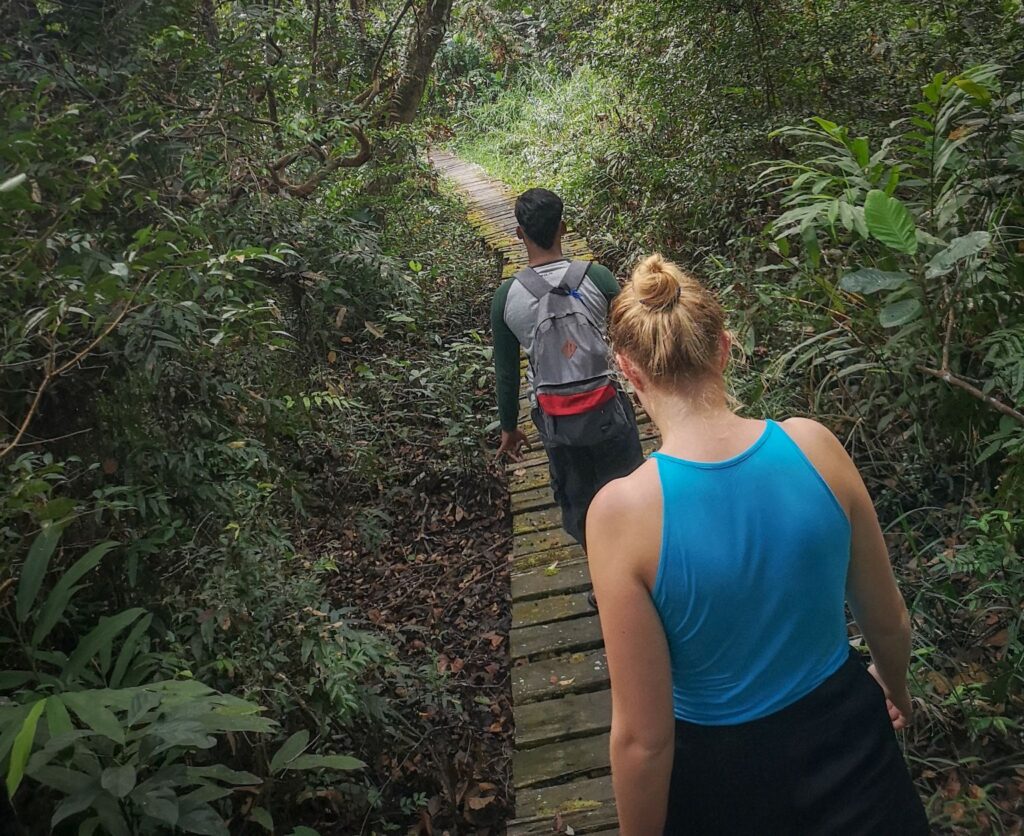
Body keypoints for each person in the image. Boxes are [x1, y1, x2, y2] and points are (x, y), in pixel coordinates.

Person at [586, 254, 929, 835]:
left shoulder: (622, 514)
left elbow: (645, 740)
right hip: (852, 743)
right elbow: (889, 620)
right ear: (724, 346)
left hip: (724, 777)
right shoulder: (815, 447)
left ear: (628, 371)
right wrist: (892, 688)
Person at [491, 188, 643, 553]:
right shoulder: (599, 278)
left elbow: (507, 373)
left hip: (557, 422)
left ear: (519, 234)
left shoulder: (506, 298)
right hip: (609, 410)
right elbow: (633, 341)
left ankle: (603, 579)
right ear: (564, 227)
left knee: (579, 502)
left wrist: (509, 428)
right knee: (631, 493)